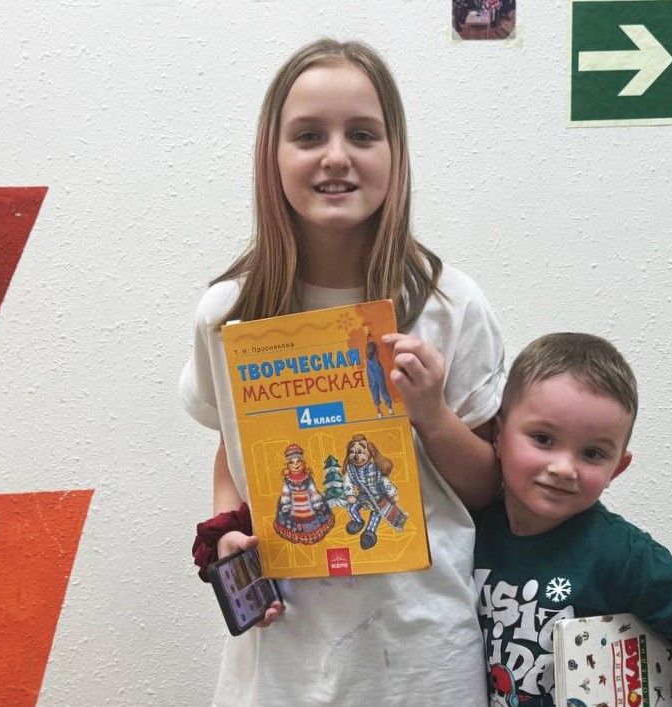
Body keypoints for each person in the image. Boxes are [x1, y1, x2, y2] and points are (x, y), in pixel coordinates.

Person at [181, 38, 506, 706]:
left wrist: (432, 414)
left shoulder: (449, 305)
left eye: (362, 134)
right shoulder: (228, 312)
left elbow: (488, 487)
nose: (335, 156)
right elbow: (232, 451)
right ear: (271, 157)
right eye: (308, 135)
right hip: (283, 654)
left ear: (396, 155)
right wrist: (225, 533)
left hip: (421, 657)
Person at [474, 333, 672, 705]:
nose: (563, 468)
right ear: (498, 435)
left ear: (616, 469)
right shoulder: (472, 527)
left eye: (592, 453)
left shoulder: (622, 554)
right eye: (543, 438)